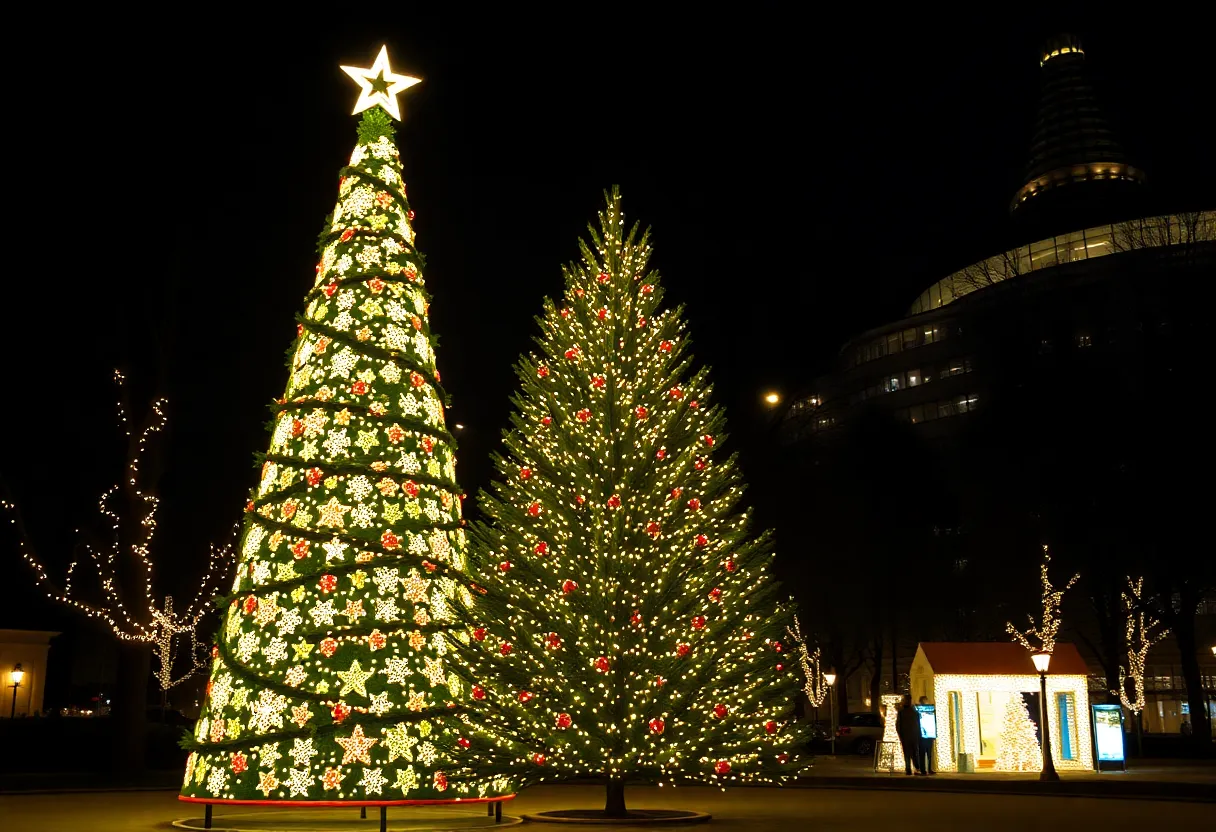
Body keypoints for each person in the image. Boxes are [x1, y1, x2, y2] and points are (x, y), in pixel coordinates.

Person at [897, 694, 924, 775]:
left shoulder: (902, 712)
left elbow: (898, 725)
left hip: (907, 736)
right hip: (913, 736)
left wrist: (900, 735)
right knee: (914, 752)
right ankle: (915, 768)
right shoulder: (914, 712)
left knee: (908, 753)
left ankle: (909, 769)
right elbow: (918, 725)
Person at [917, 696, 936, 775]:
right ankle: (923, 769)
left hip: (929, 735)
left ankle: (929, 768)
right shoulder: (918, 710)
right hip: (922, 736)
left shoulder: (930, 710)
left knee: (929, 754)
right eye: (924, 701)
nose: (926, 702)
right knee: (922, 753)